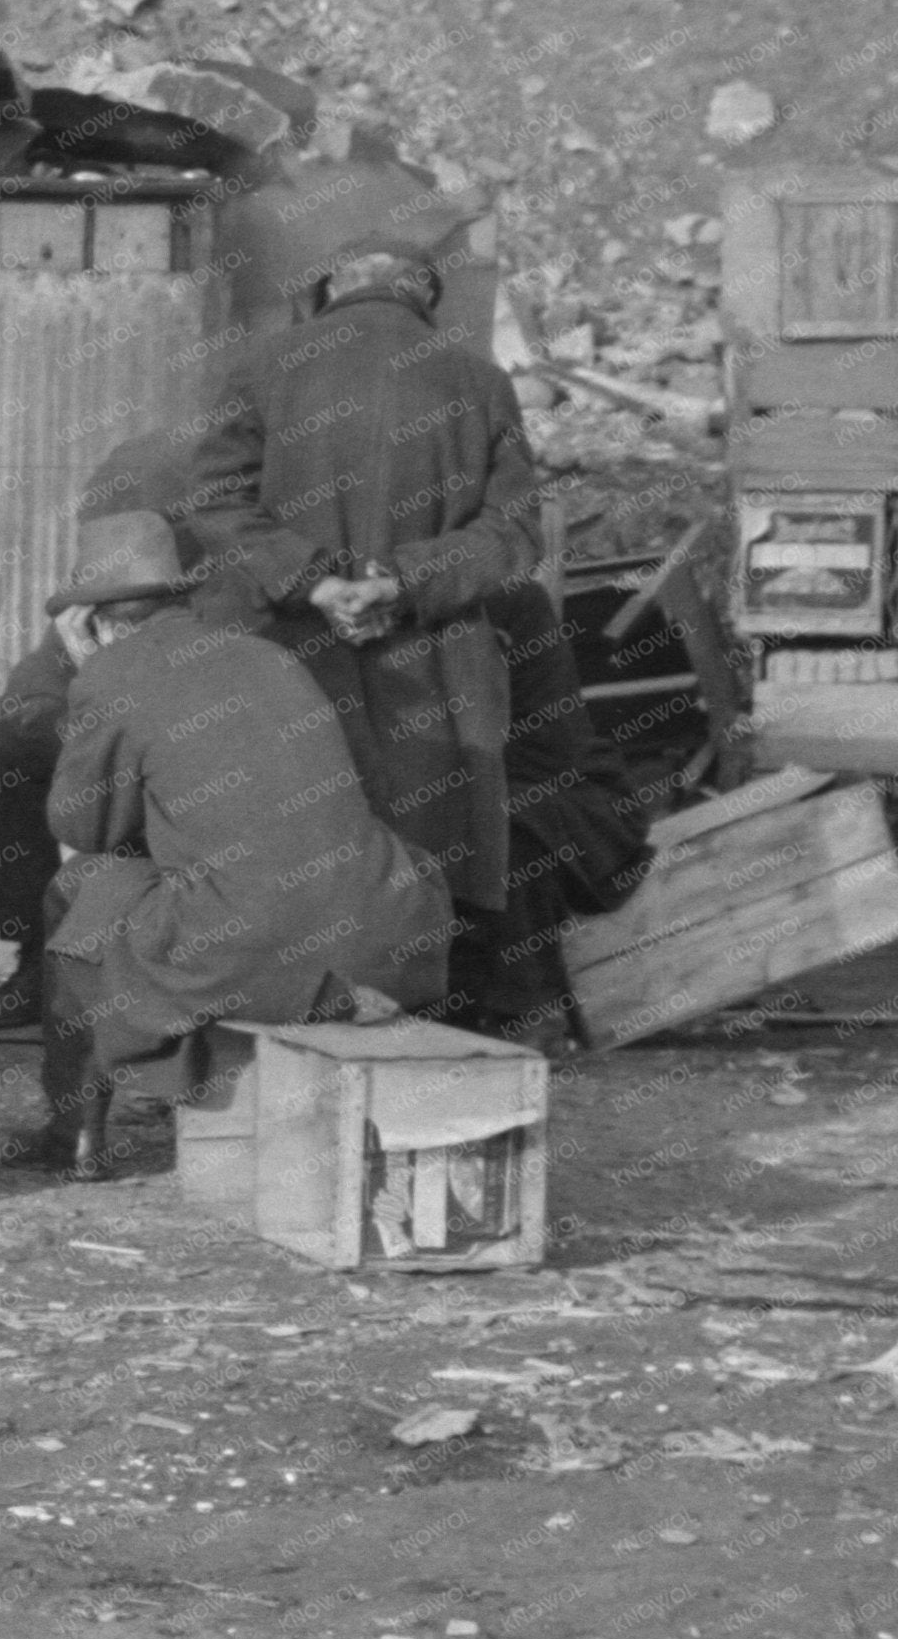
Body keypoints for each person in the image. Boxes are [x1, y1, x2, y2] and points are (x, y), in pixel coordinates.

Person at [33, 511, 453, 1177]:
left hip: (254, 942)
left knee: (74, 890)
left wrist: (92, 676)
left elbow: (84, 829)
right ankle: (307, 1011)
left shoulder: (109, 676)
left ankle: (76, 1133)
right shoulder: (269, 654)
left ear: (93, 619)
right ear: (183, 595)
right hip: (388, 930)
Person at [186, 235, 545, 981]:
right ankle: (423, 1015)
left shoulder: (262, 368)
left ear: (329, 289)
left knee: (298, 834)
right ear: (422, 294)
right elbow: (513, 533)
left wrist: (314, 583)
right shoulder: (480, 380)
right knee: (428, 839)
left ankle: (293, 1001)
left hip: (294, 649)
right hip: (433, 655)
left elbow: (215, 502)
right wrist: (403, 583)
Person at [0, 424, 227, 1032]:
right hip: (128, 749)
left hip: (211, 780)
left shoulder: (235, 590)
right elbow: (28, 696)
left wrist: (105, 690)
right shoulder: (112, 586)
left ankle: (166, 963)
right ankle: (26, 962)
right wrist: (80, 705)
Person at [449, 576, 653, 1044]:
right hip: (447, 786)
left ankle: (527, 1011)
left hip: (552, 785)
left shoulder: (509, 604)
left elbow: (547, 743)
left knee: (505, 831)